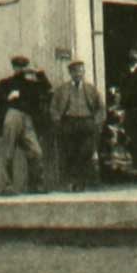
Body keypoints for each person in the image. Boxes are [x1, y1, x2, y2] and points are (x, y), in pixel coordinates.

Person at [0, 55, 52, 195]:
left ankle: (35, 186)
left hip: (28, 119)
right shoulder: (5, 83)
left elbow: (47, 90)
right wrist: (7, 97)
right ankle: (5, 187)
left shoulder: (32, 84)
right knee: (7, 152)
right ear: (13, 67)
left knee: (36, 152)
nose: (21, 69)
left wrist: (39, 72)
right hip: (12, 115)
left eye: (23, 66)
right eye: (18, 66)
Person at [50, 59, 104, 191]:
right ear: (70, 72)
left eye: (81, 71)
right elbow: (54, 108)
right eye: (75, 71)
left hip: (87, 123)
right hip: (69, 123)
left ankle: (81, 181)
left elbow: (100, 108)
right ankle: (71, 182)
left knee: (85, 152)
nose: (78, 74)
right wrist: (57, 121)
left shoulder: (91, 89)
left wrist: (97, 122)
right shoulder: (62, 89)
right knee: (70, 153)